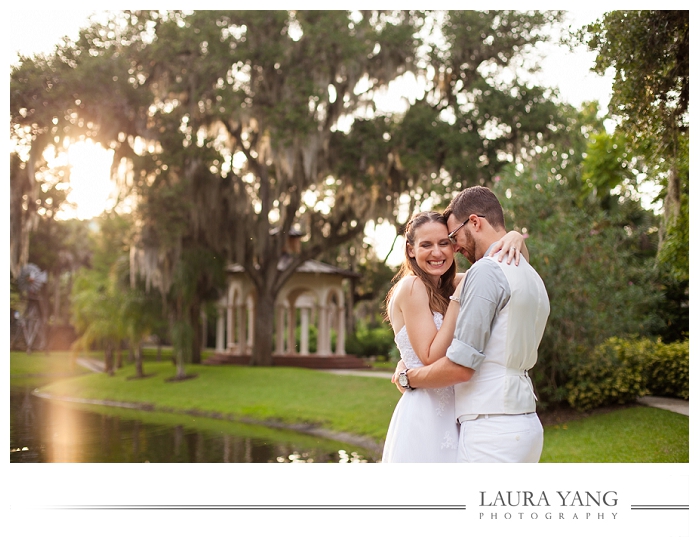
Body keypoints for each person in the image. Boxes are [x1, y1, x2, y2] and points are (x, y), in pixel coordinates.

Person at [396, 186, 550, 463]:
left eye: (450, 239)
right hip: (522, 420)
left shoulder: (482, 273)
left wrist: (408, 377)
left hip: (492, 427)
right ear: (410, 250)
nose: (454, 248)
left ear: (475, 222)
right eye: (428, 244)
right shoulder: (527, 273)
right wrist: (514, 236)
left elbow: (460, 367)